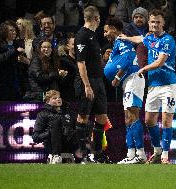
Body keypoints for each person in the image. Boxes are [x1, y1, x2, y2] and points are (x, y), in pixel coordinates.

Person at [119, 9, 176, 164]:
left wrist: (144, 68)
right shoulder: (149, 38)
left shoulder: (168, 40)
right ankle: (157, 150)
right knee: (148, 120)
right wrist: (125, 37)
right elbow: (139, 39)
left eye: (158, 22)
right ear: (149, 23)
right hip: (153, 86)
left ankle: (165, 155)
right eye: (152, 22)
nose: (155, 24)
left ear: (163, 23)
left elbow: (159, 62)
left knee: (166, 120)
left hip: (169, 85)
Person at [103, 17, 147, 164]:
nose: (105, 34)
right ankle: (130, 154)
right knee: (128, 118)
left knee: (133, 116)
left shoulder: (121, 40)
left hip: (133, 79)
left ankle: (140, 154)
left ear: (114, 29)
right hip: (128, 82)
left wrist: (116, 77)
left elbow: (129, 58)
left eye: (106, 30)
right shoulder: (118, 42)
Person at [74, 6, 109, 163]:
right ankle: (81, 155)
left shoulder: (93, 36)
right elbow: (80, 63)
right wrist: (87, 85)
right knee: (83, 116)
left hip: (98, 81)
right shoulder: (81, 35)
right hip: (86, 82)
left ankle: (97, 154)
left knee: (101, 117)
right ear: (97, 19)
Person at [32, 90, 78, 164]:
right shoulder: (42, 114)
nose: (58, 99)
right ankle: (56, 155)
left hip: (68, 143)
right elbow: (35, 137)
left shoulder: (68, 112)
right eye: (54, 98)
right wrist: (52, 132)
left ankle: (88, 155)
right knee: (56, 122)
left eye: (59, 97)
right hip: (51, 144)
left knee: (84, 125)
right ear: (47, 101)